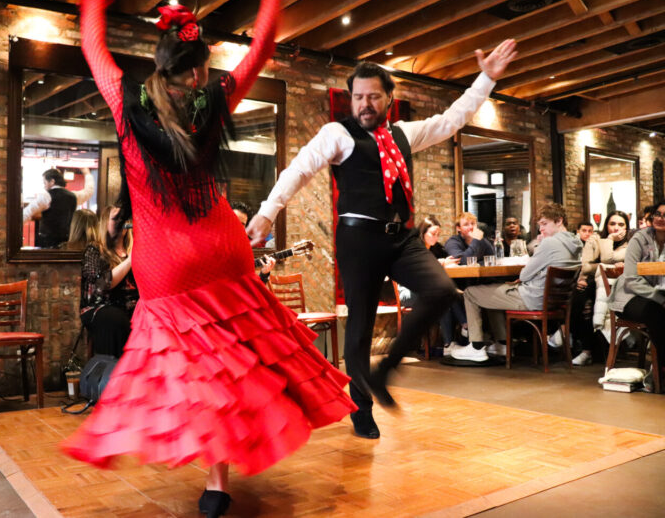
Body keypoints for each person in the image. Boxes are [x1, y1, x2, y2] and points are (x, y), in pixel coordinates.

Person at [62, 0, 355, 517]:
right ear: (197, 71)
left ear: (161, 63)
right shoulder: (215, 97)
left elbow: (93, 51)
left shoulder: (127, 101)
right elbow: (261, 48)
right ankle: (231, 466)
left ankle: (214, 481)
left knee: (193, 369)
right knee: (240, 356)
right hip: (224, 246)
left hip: (165, 262)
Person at [247, 40, 518, 438]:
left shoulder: (406, 133)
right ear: (350, 100)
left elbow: (452, 119)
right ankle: (362, 409)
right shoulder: (336, 133)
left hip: (402, 237)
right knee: (359, 326)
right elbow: (299, 169)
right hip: (358, 238)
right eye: (358, 97)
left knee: (442, 290)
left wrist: (486, 79)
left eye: (374, 96)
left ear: (389, 98)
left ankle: (386, 366)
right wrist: (269, 211)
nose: (365, 104)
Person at [454, 203, 582, 362]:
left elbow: (525, 274)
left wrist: (540, 246)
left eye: (544, 224)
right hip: (553, 301)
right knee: (491, 290)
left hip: (532, 298)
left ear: (559, 221)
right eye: (539, 225)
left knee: (471, 292)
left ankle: (476, 347)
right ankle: (502, 345)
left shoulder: (550, 243)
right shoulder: (576, 243)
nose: (541, 229)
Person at [610, 200, 665, 384]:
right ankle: (660, 371)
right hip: (629, 297)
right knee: (656, 311)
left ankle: (656, 371)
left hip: (658, 296)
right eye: (658, 214)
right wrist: (659, 299)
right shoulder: (640, 238)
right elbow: (631, 278)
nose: (660, 219)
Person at [571, 211, 630, 365]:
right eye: (612, 224)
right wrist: (604, 267)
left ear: (627, 227)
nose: (616, 228)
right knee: (581, 299)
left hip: (617, 287)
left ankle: (586, 349)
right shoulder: (595, 239)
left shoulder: (630, 243)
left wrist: (609, 240)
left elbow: (607, 258)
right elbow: (585, 267)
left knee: (587, 297)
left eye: (621, 224)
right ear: (606, 225)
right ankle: (585, 348)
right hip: (592, 283)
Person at [79, 205, 138, 358]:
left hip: (133, 307)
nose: (120, 222)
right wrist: (131, 260)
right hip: (100, 307)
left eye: (123, 219)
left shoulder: (133, 250)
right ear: (105, 222)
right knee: (115, 319)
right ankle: (116, 374)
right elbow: (103, 284)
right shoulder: (94, 250)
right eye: (115, 219)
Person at [417, 215, 464, 352]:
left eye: (438, 234)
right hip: (409, 291)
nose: (436, 237)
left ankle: (451, 343)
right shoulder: (414, 247)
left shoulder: (436, 248)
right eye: (432, 234)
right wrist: (442, 262)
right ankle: (462, 330)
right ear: (423, 233)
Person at [23, 167, 95, 248]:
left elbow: (27, 212)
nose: (44, 186)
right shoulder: (73, 196)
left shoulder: (46, 196)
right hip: (67, 241)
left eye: (44, 183)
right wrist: (88, 174)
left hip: (47, 242)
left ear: (52, 181)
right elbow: (88, 192)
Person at [231, 201, 276, 283]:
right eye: (235, 220)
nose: (238, 226)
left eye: (242, 224)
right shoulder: (212, 244)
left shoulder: (244, 250)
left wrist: (264, 273)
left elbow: (252, 288)